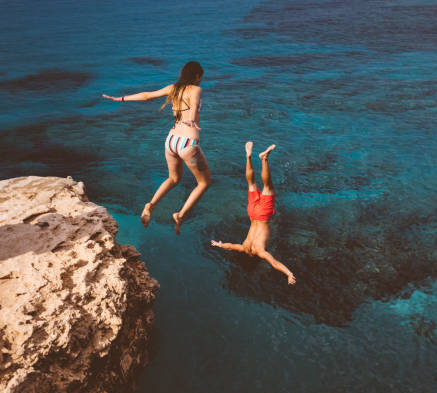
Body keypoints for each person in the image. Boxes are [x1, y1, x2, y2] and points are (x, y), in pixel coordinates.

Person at [103, 61, 211, 234]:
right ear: (197, 76)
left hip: (171, 140)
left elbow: (146, 95)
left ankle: (150, 205)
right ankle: (180, 214)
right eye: (201, 77)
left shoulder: (172, 88)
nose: (200, 80)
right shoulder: (196, 89)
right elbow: (194, 103)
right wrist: (191, 119)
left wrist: (120, 98)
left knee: (173, 178)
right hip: (187, 144)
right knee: (204, 182)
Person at [211, 142, 296, 285]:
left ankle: (264, 159)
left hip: (263, 216)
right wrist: (219, 244)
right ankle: (248, 157)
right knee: (251, 183)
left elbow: (274, 263)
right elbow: (230, 246)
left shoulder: (260, 251)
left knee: (268, 186)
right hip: (251, 213)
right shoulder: (243, 247)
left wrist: (288, 273)